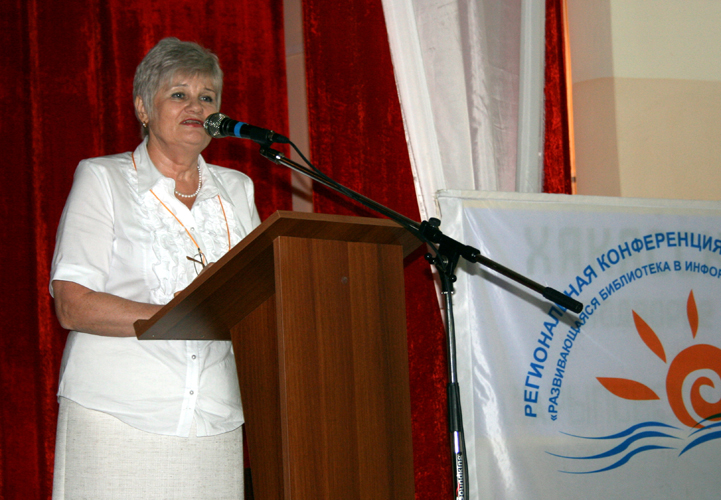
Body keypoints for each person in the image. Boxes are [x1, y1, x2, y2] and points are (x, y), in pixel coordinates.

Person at [49, 38, 260, 499]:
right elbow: (72, 304)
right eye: (179, 94)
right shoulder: (103, 178)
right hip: (119, 414)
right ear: (143, 108)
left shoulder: (237, 189)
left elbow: (258, 293)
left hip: (214, 418)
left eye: (207, 97)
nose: (196, 106)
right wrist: (182, 315)